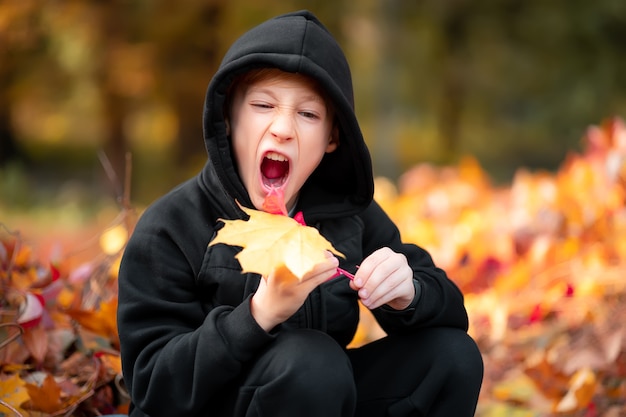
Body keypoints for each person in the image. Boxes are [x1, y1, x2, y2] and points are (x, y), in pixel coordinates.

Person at [117, 10, 483, 417]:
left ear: (331, 138)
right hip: (217, 404)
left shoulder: (348, 215)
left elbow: (450, 308)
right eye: (262, 105)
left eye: (308, 114)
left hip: (320, 394)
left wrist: (409, 293)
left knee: (453, 357)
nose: (283, 128)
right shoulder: (171, 226)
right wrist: (259, 314)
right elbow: (150, 384)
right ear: (228, 118)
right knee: (313, 363)